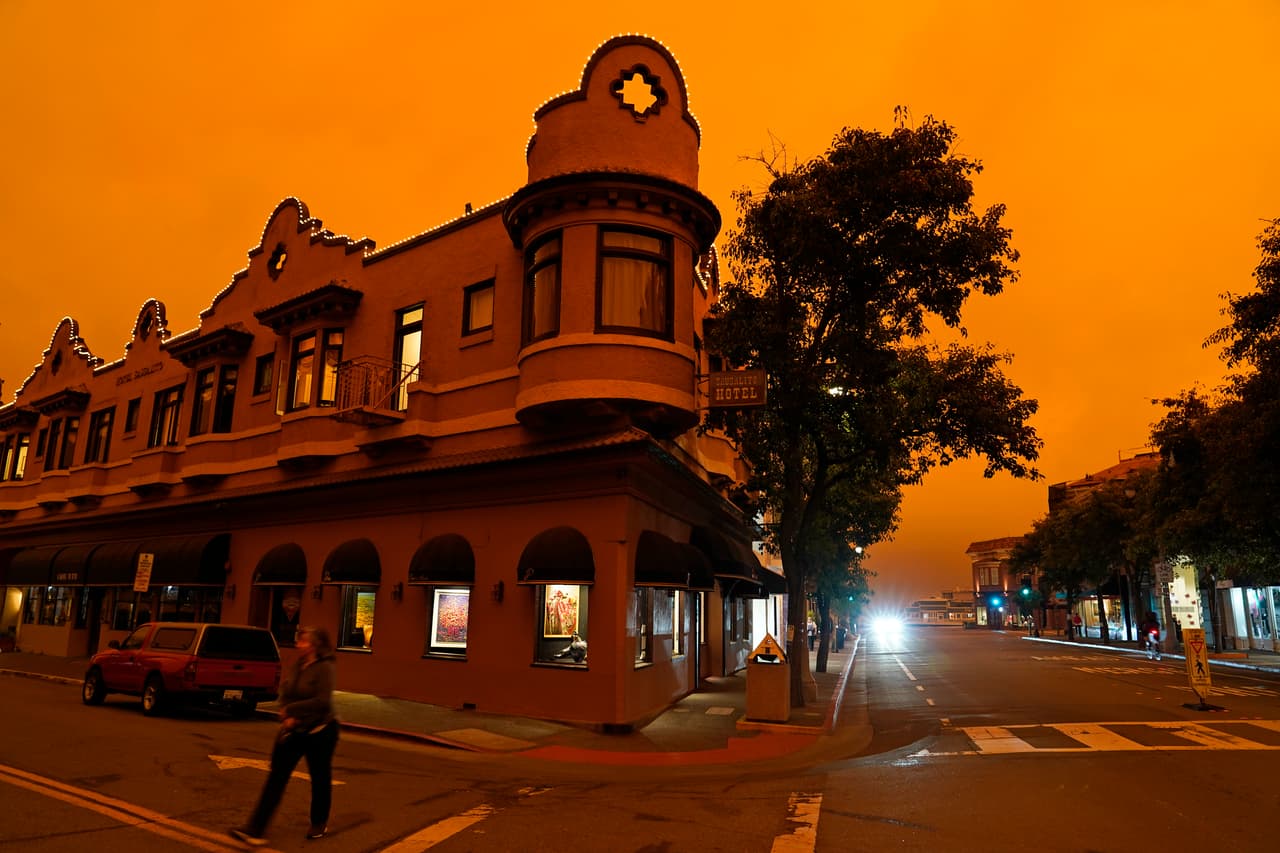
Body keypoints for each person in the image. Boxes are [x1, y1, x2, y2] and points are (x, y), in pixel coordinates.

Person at [231, 626, 338, 847]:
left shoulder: (325, 668)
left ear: (315, 645)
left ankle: (318, 822)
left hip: (320, 731)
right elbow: (286, 692)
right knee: (276, 777)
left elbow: (322, 702)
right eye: (298, 641)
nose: (299, 645)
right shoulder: (299, 664)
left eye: (303, 641)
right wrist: (287, 712)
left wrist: (292, 712)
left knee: (320, 778)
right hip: (294, 730)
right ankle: (255, 828)